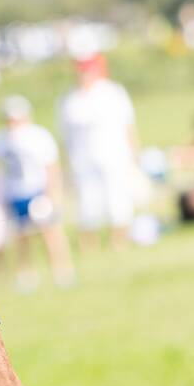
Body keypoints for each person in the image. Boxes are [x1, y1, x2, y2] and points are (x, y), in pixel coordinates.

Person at [0, 96, 75, 290]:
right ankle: (26, 274)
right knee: (22, 236)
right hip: (15, 193)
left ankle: (62, 271)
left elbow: (51, 166)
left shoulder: (38, 136)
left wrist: (52, 193)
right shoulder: (0, 139)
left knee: (50, 233)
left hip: (37, 191)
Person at [57, 53, 139, 252]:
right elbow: (65, 134)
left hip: (113, 154)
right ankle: (88, 243)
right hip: (82, 158)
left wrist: (134, 152)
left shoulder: (112, 92)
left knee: (117, 198)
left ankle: (119, 240)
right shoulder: (69, 99)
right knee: (87, 201)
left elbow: (128, 125)